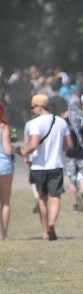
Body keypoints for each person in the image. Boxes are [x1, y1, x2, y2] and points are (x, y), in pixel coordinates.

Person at [18, 94, 72, 241]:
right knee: (56, 197)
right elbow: (69, 145)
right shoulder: (61, 122)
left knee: (42, 199)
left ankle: (45, 231)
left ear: (39, 107)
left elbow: (34, 144)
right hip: (56, 164)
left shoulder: (35, 123)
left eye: (32, 107)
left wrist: (24, 152)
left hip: (39, 166)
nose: (32, 110)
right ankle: (52, 224)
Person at [63, 98, 83, 212]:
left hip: (70, 153)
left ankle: (75, 205)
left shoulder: (66, 121)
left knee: (72, 179)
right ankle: (81, 193)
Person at [0, 101, 14, 239]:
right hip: (4, 166)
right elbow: (7, 150)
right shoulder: (4, 127)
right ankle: (4, 234)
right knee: (5, 201)